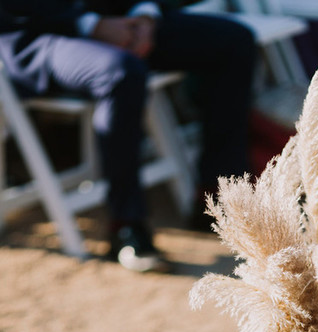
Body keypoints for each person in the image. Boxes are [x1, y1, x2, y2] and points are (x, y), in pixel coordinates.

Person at [0, 2, 256, 272]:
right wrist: (92, 25)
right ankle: (126, 226)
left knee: (233, 41)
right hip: (39, 31)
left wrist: (144, 15)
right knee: (121, 73)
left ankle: (220, 198)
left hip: (118, 16)